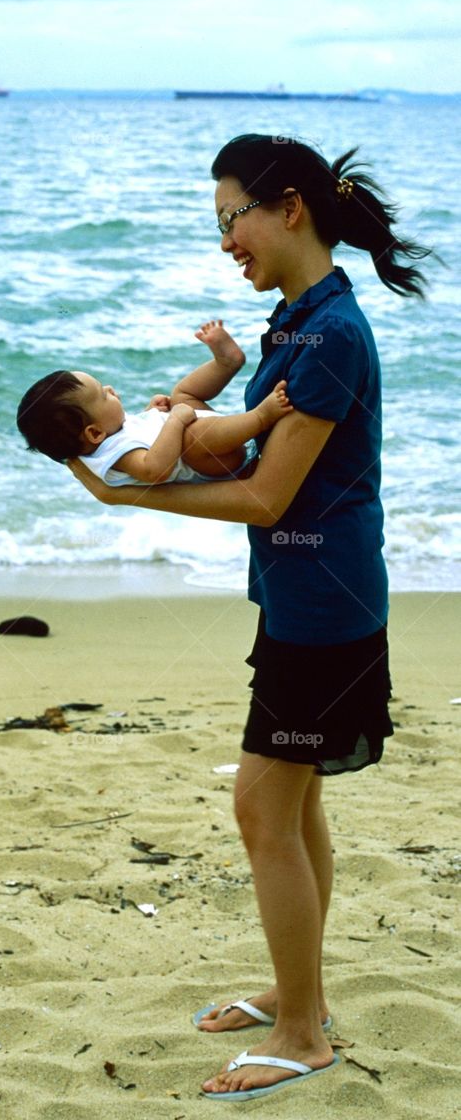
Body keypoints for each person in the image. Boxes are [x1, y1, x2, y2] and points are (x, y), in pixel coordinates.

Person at [67, 133, 433, 1102]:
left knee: (261, 804)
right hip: (307, 599)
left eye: (231, 218)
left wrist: (134, 499)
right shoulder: (300, 319)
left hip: (327, 610)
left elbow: (270, 498)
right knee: (295, 803)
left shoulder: (330, 335)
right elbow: (247, 464)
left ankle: (306, 1031)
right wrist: (172, 434)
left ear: (289, 209)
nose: (225, 240)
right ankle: (294, 987)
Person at [17, 319, 292, 485]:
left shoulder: (112, 433)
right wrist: (174, 419)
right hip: (223, 463)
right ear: (94, 433)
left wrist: (151, 413)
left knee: (181, 394)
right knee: (189, 437)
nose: (111, 389)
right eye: (103, 394)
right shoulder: (114, 455)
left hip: (217, 441)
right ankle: (261, 417)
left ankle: (227, 362)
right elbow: (154, 469)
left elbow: (143, 436)